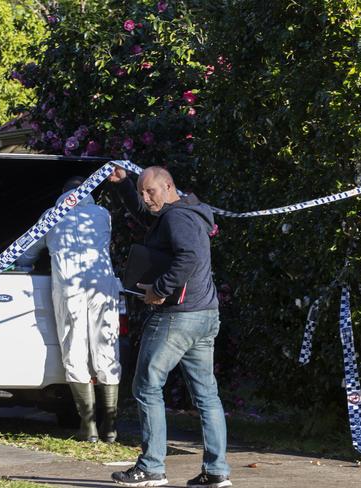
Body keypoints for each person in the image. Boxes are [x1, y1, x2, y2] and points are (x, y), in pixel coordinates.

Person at [108, 166, 231, 488]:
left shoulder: (177, 218)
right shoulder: (187, 212)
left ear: (168, 186)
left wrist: (160, 290)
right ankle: (217, 472)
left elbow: (188, 256)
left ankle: (151, 468)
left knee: (146, 386)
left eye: (150, 191)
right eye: (141, 193)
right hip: (205, 315)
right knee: (206, 395)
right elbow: (149, 216)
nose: (146, 199)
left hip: (177, 317)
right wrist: (124, 186)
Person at [17, 176, 122, 443]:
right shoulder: (103, 214)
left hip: (68, 287)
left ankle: (88, 428)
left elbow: (28, 252)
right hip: (103, 285)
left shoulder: (52, 215)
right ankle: (110, 426)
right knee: (106, 347)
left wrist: (23, 265)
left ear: (62, 194)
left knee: (74, 347)